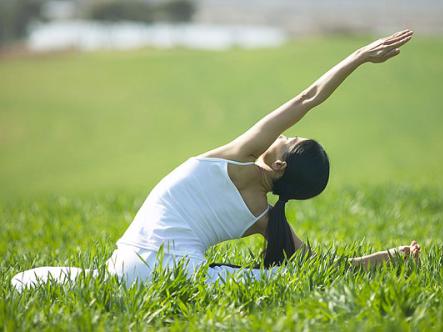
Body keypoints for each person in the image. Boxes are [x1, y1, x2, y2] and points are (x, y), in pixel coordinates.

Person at [11, 29, 420, 291]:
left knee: (21, 282)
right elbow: (322, 267)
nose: (283, 134)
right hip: (163, 275)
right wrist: (385, 259)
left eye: (289, 139)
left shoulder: (239, 158)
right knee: (284, 278)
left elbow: (306, 99)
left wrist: (359, 56)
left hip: (124, 268)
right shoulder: (266, 217)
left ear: (280, 167)